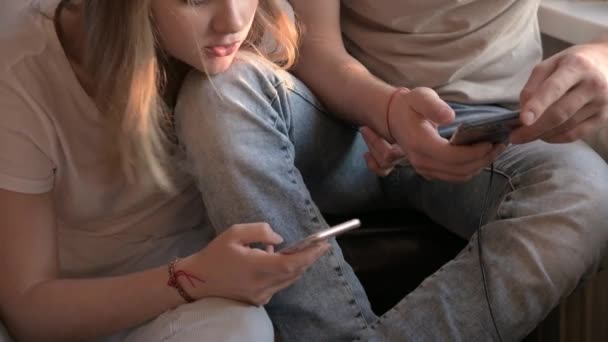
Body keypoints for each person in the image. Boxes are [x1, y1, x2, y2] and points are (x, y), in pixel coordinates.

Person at [173, 0, 608, 340]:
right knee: (218, 92)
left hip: (490, 135)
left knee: (586, 195)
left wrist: (601, 58)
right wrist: (387, 109)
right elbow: (315, 43)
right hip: (347, 122)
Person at [0, 0, 330, 341]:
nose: (232, 21)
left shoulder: (257, 28)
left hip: (199, 307)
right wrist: (195, 276)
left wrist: (383, 114)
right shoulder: (22, 76)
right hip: (84, 307)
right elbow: (29, 308)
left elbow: (330, 79)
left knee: (241, 329)